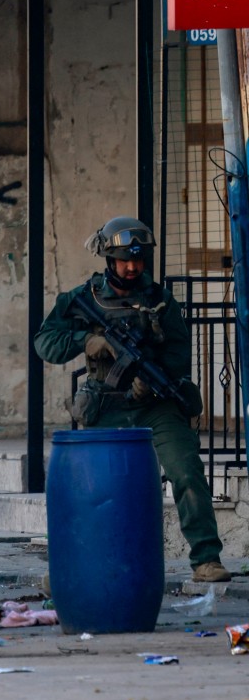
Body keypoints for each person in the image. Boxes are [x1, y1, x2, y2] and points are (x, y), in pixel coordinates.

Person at [34, 216, 230, 583]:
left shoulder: (159, 300)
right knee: (90, 488)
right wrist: (86, 342)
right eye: (124, 259)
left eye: (137, 260)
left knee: (186, 471)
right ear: (109, 259)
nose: (131, 267)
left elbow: (179, 352)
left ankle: (206, 559)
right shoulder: (82, 299)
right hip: (106, 404)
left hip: (156, 404)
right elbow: (45, 343)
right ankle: (70, 567)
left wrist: (156, 381)